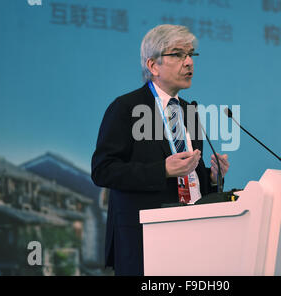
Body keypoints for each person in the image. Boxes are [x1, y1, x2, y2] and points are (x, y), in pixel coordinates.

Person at [91, 24, 230, 276]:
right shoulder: (126, 107)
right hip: (145, 237)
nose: (189, 62)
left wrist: (210, 178)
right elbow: (103, 170)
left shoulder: (189, 112)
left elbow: (187, 178)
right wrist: (162, 170)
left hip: (193, 234)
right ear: (153, 66)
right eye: (178, 54)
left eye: (191, 55)